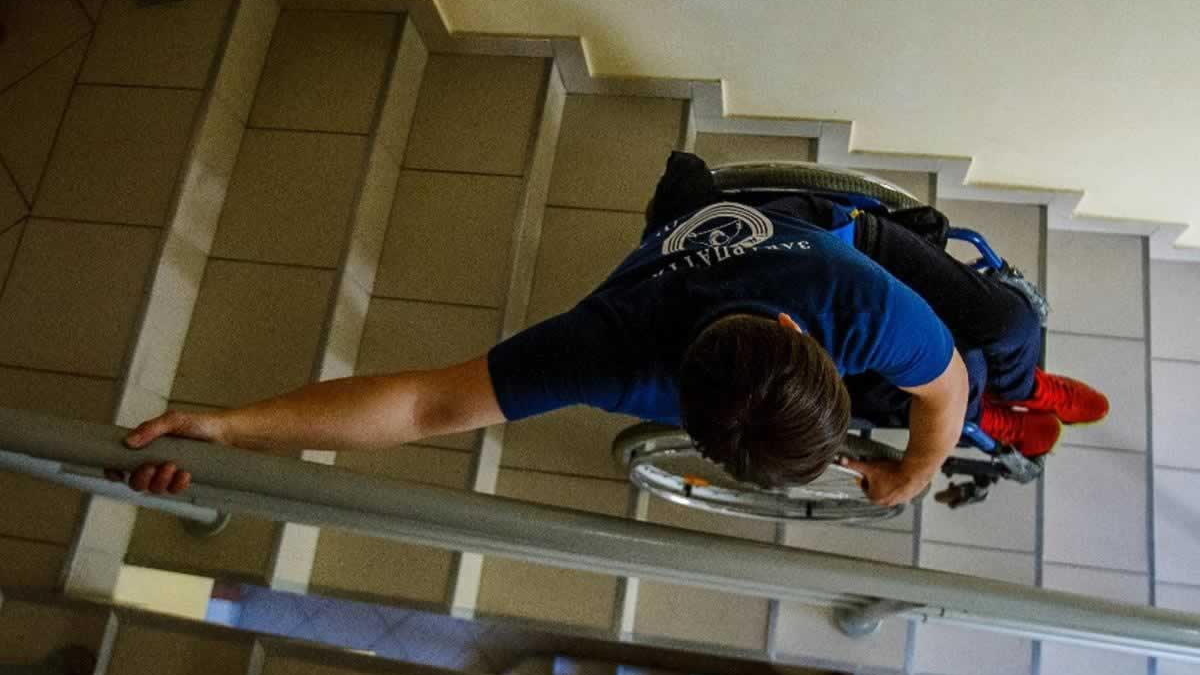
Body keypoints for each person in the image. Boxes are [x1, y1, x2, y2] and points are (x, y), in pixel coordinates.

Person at [112, 153, 1107, 506]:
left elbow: (942, 387)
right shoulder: (604, 347)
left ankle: (1020, 396)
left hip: (829, 236)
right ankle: (1003, 409)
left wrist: (918, 469)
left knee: (1001, 332)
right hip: (771, 294)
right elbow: (417, 405)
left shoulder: (858, 299)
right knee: (937, 374)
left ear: (805, 331)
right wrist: (227, 427)